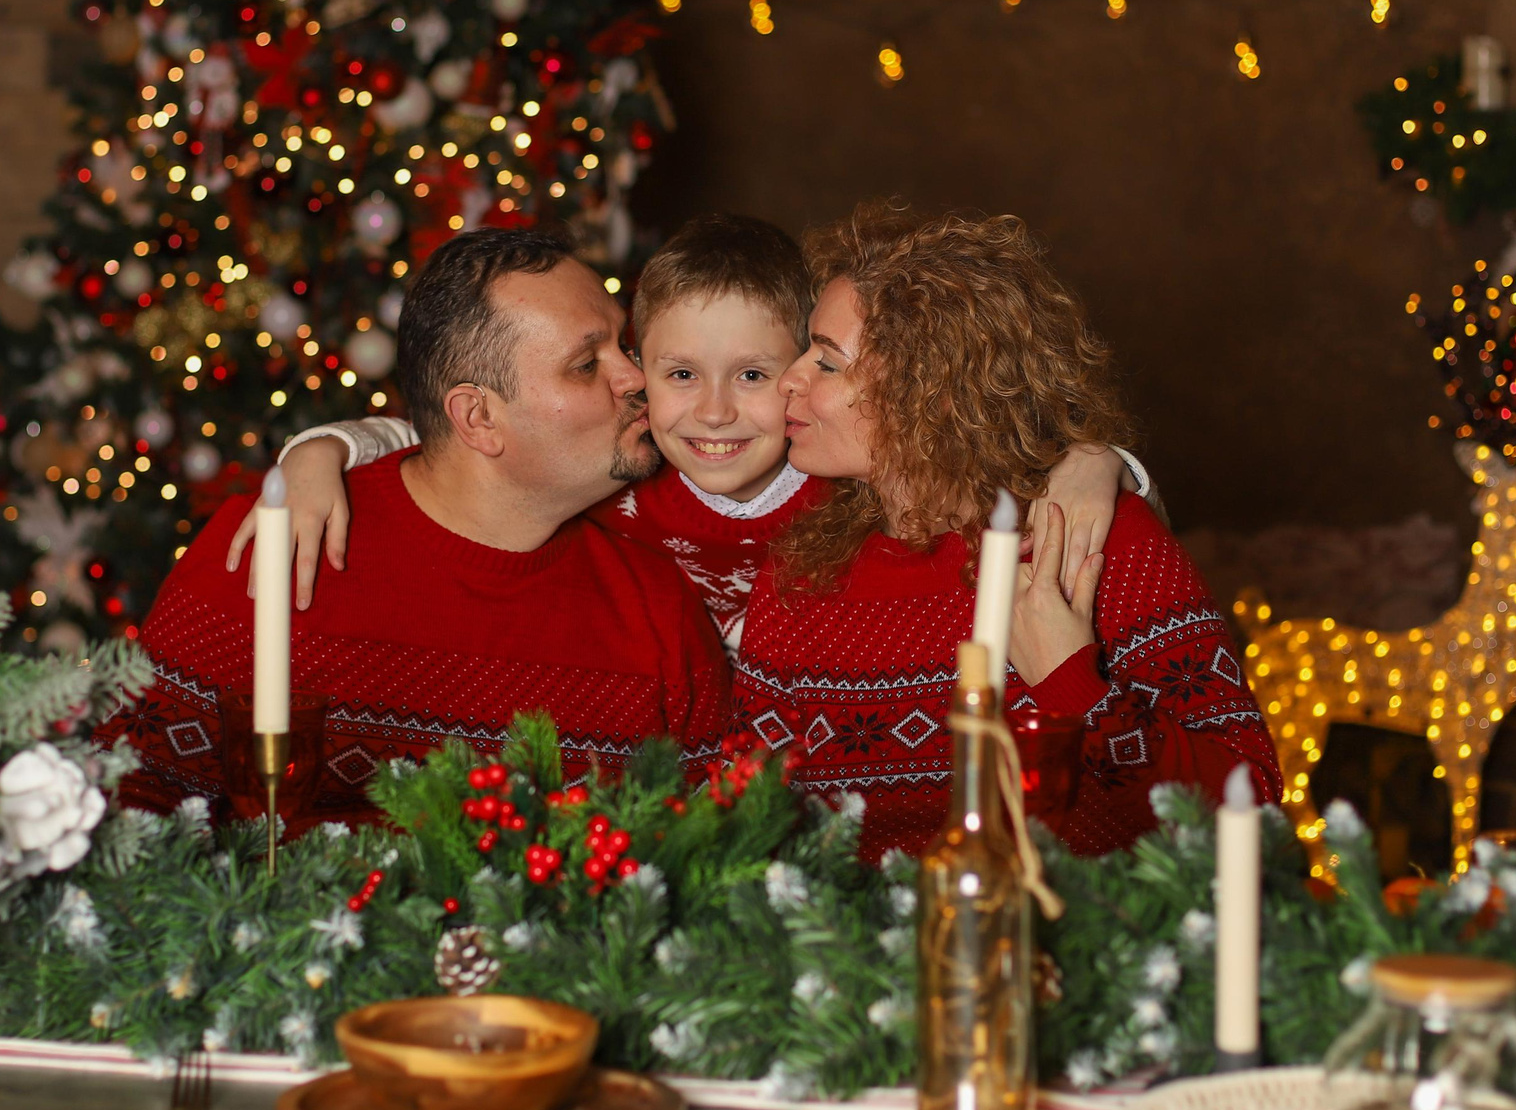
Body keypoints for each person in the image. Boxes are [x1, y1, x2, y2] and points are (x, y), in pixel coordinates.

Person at [262, 214, 1158, 648]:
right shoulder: (621, 475)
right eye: (680, 374)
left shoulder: (842, 485)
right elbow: (470, 450)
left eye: (758, 377)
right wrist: (323, 449)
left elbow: (971, 457)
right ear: (636, 371)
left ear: (803, 373)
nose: (718, 411)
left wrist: (1097, 463)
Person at [100, 228, 731, 827]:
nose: (636, 377)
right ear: (478, 417)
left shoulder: (659, 605)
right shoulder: (280, 544)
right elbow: (128, 802)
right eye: (586, 364)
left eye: (623, 345)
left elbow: (715, 859)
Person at [736, 204, 1278, 861]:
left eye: (826, 362)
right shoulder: (800, 574)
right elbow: (753, 826)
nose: (788, 379)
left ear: (932, 391)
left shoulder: (1096, 544)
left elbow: (1254, 811)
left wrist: (1075, 684)